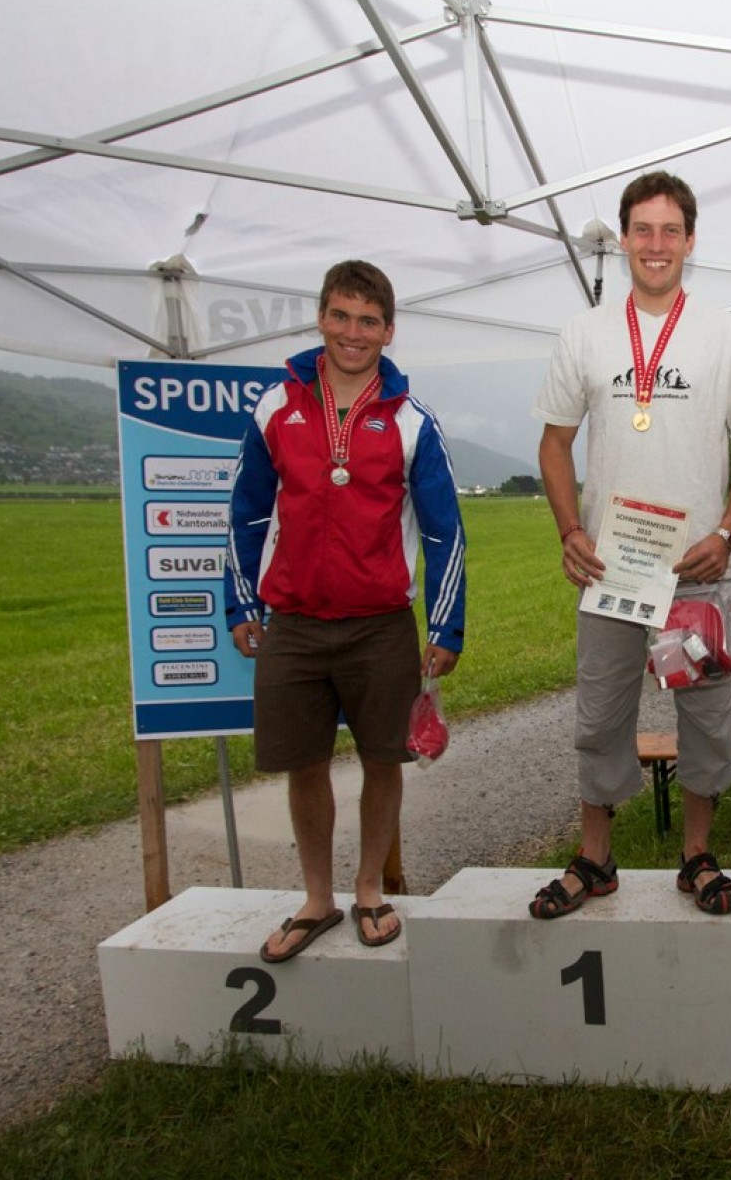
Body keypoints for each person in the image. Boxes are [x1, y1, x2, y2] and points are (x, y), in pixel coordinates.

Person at [529, 171, 731, 919]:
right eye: (643, 230)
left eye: (671, 231)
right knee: (600, 715)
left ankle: (696, 856)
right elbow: (554, 442)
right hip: (612, 570)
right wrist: (570, 529)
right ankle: (594, 859)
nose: (657, 244)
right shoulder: (586, 332)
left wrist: (727, 533)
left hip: (695, 572)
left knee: (702, 713)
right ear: (624, 238)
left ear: (691, 241)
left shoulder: (725, 332)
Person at [224, 259, 466, 963]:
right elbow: (244, 513)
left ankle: (368, 889)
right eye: (340, 315)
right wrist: (241, 601)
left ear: (388, 331)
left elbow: (446, 529)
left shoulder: (414, 422)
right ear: (321, 318)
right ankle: (315, 898)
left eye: (368, 320)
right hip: (293, 622)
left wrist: (447, 625)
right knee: (304, 764)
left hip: (379, 622)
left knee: (382, 760)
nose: (352, 333)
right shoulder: (277, 408)